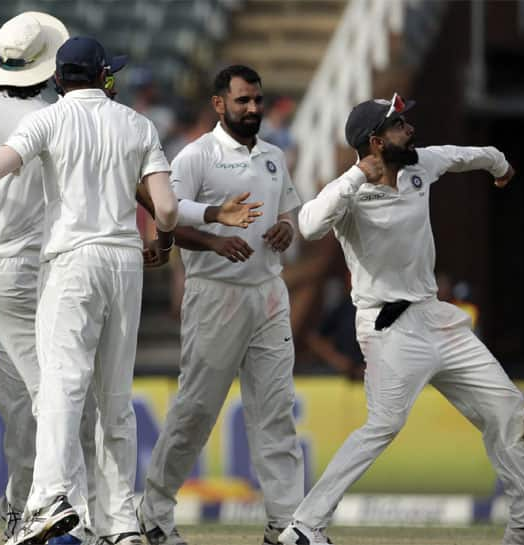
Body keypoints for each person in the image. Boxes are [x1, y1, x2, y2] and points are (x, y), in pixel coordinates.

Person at [0, 37, 261, 545]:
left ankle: (47, 501)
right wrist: (163, 242)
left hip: (69, 262)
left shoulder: (48, 119)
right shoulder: (136, 124)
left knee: (62, 386)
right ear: (102, 77)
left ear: (59, 77)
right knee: (114, 397)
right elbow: (163, 211)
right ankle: (121, 524)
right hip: (123, 264)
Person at [278, 95, 524, 545]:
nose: (410, 130)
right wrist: (358, 174)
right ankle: (305, 526)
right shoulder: (350, 189)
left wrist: (500, 167)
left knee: (508, 410)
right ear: (376, 141)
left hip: (437, 317)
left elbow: (468, 155)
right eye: (399, 125)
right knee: (383, 426)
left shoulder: (422, 164)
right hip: (387, 326)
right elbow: (308, 224)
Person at [137, 65, 304, 545]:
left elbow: (287, 210)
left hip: (269, 292)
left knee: (275, 410)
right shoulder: (196, 157)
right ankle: (154, 513)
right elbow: (162, 221)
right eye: (242, 101)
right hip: (215, 295)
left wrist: (286, 229)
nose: (253, 109)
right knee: (196, 410)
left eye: (257, 100)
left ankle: (284, 523)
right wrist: (212, 242)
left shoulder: (274, 155)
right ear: (219, 104)